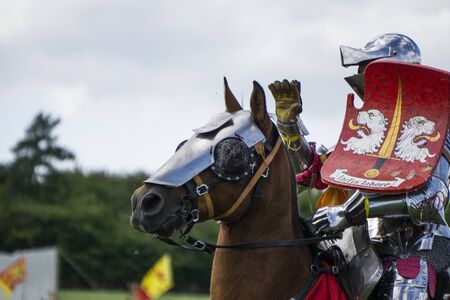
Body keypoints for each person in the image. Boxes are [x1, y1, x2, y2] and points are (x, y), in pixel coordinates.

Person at [269, 33, 450, 299]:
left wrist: (346, 212)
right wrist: (290, 127)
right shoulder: (372, 126)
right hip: (365, 248)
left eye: (368, 69)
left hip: (417, 246)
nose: (362, 75)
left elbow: (427, 199)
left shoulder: (435, 127)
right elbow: (320, 172)